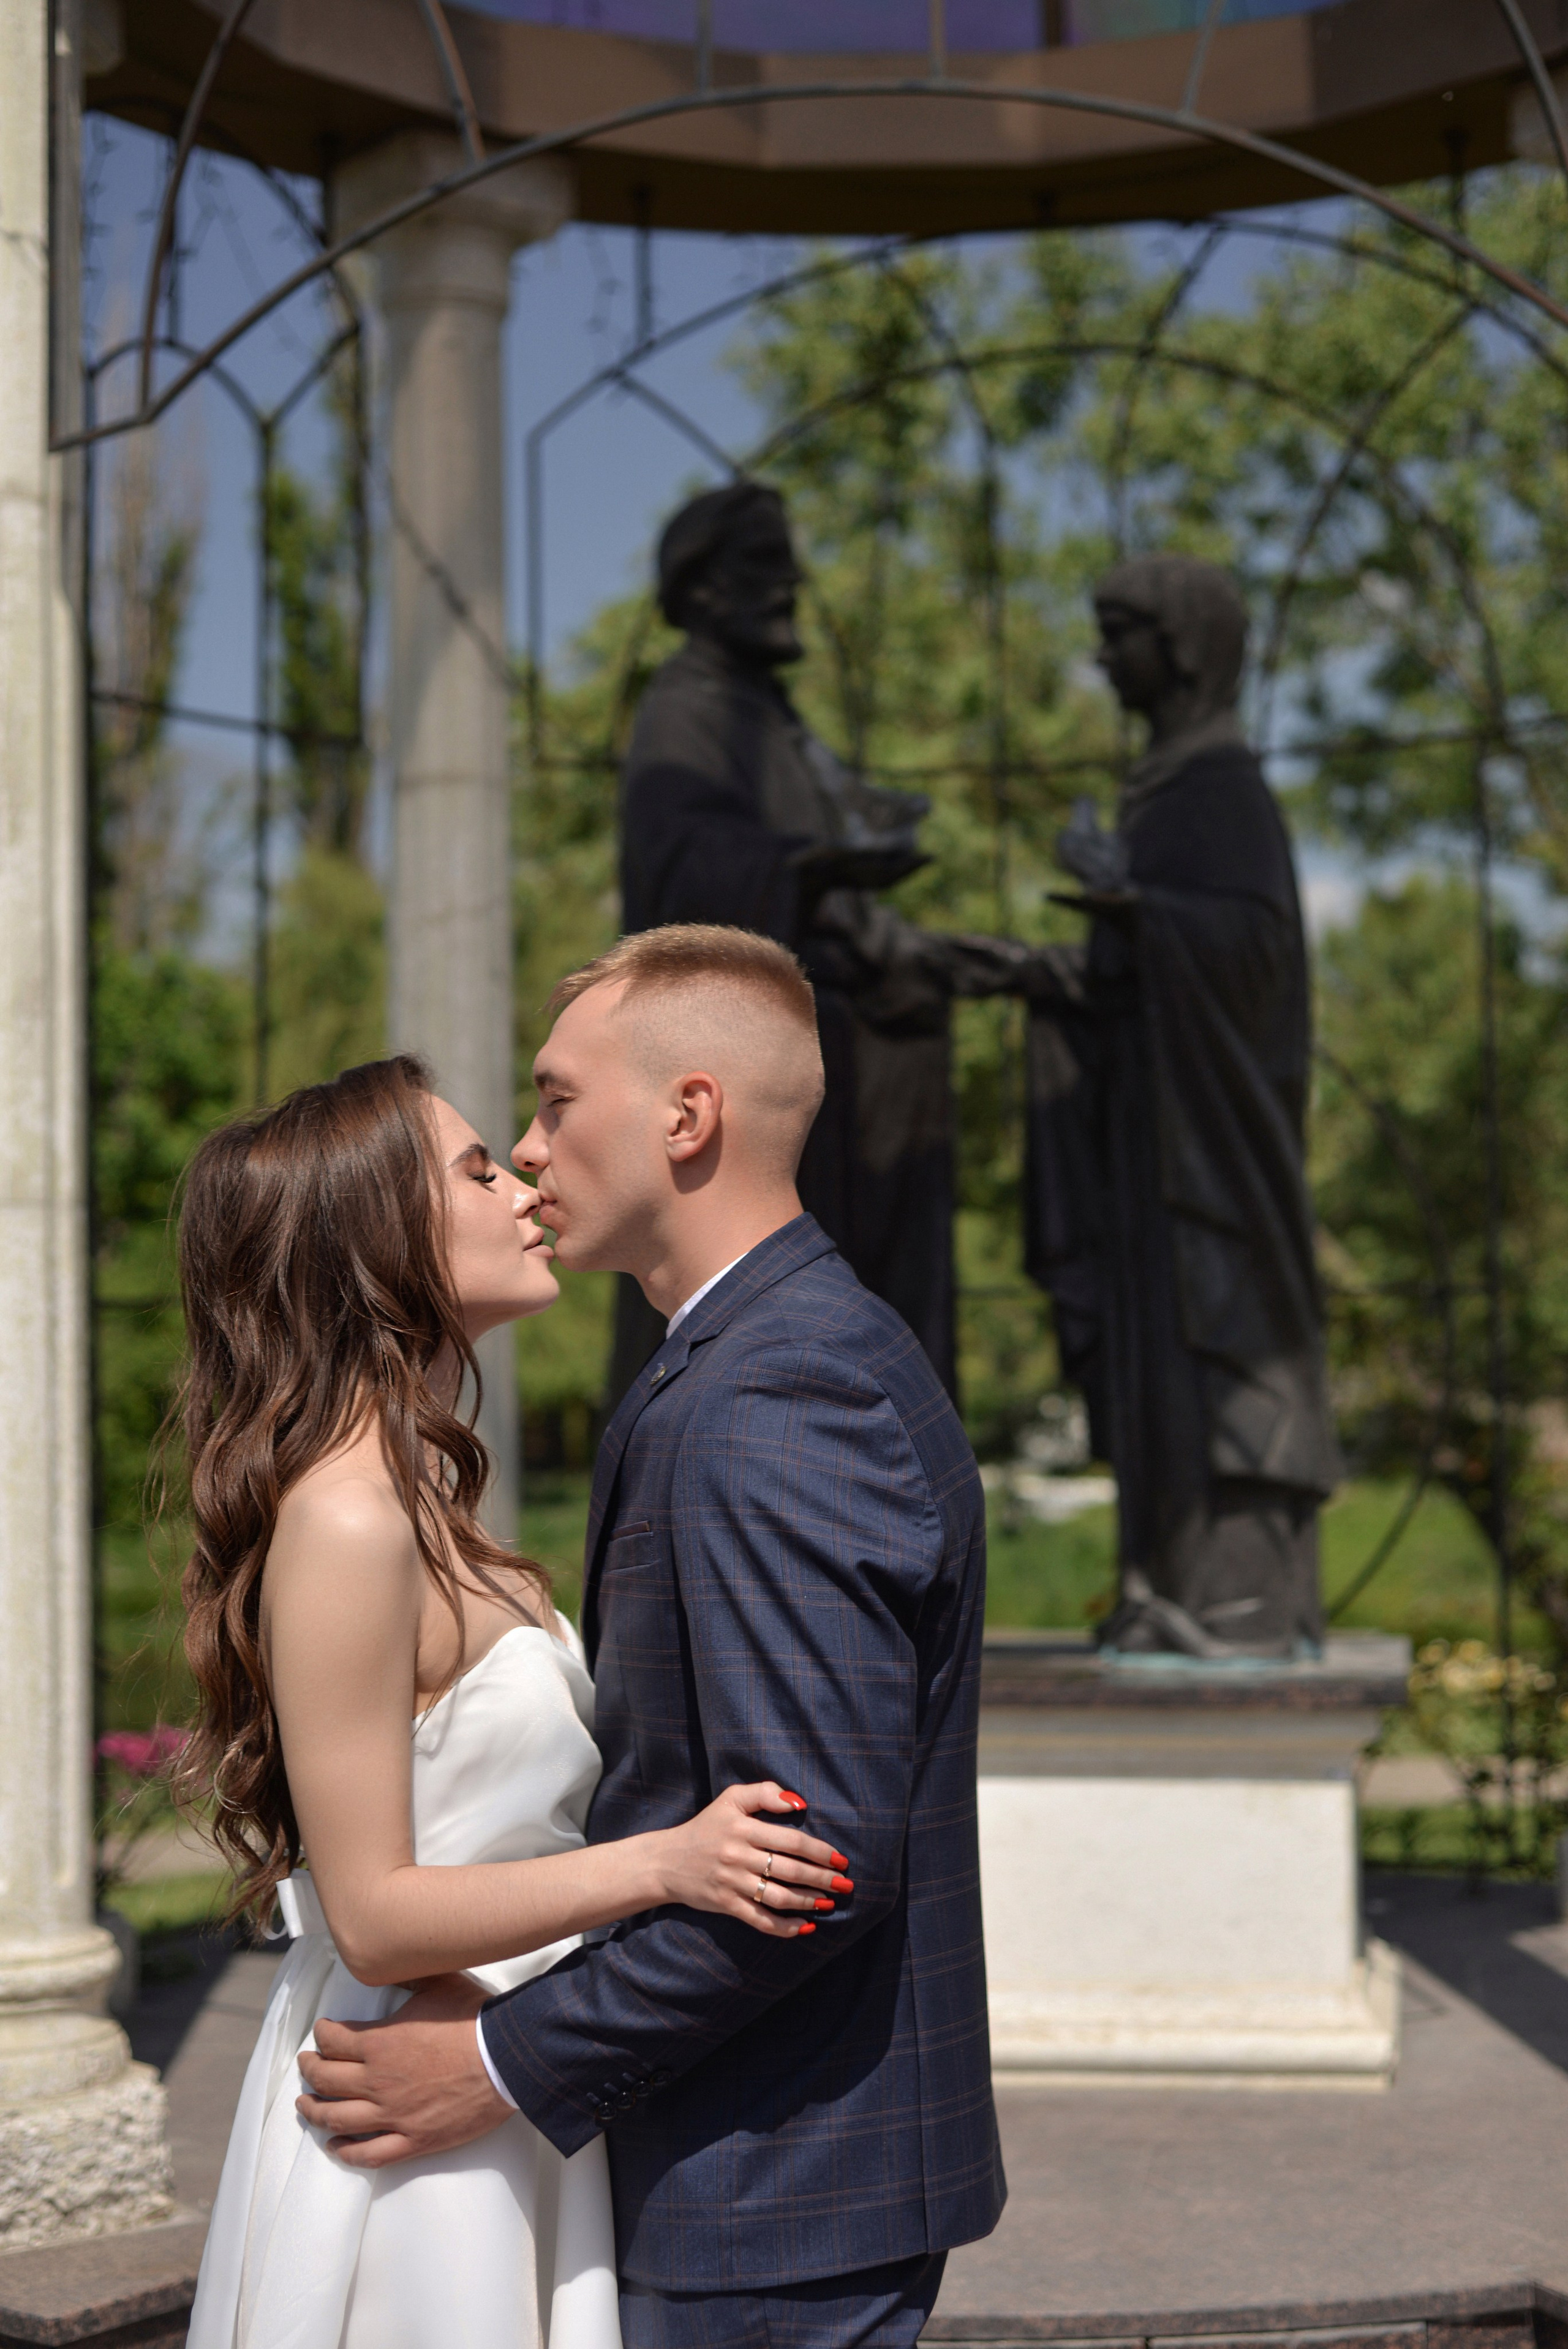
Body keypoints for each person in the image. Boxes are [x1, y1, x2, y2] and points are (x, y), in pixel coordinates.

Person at [293, 927, 1006, 2349]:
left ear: (687, 1115)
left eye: (555, 1100)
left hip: (762, 2187)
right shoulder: (744, 1361)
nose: (528, 1144)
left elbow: (809, 1861)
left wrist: (497, 2062)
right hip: (727, 2167)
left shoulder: (776, 1392)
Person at [178, 1055, 847, 2349]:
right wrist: (669, 1864)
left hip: (496, 2076)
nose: (524, 1179)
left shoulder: (423, 1494)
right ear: (378, 1239)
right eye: (477, 1167)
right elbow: (372, 1914)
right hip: (406, 2115)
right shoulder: (348, 1517)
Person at [611, 479, 1034, 1403]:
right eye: (764, 563)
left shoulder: (775, 721)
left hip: (840, 1077)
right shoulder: (689, 710)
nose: (791, 582)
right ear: (703, 587)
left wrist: (926, 953)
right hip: (750, 1098)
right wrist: (813, 869)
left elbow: (835, 920)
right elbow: (680, 881)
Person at [1023, 554, 1340, 1658]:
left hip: (1216, 1151)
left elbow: (1254, 954)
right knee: (1165, 1365)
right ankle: (1175, 1585)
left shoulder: (1218, 789)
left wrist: (1127, 897)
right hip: (1153, 1144)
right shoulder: (1164, 784)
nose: (1105, 656)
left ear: (1189, 644)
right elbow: (1125, 976)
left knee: (1225, 1349)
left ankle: (1240, 1601)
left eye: (1124, 633)